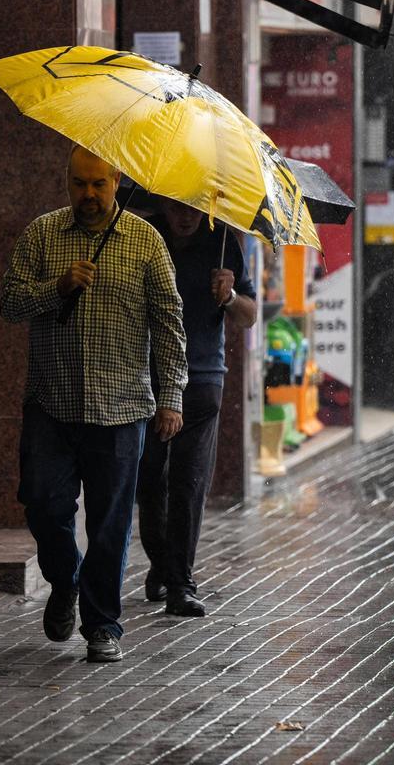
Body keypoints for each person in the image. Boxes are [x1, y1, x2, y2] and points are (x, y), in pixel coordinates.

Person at [0, 146, 187, 663]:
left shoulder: (145, 241)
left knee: (110, 523)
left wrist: (171, 398)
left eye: (98, 184)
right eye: (79, 183)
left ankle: (102, 624)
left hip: (121, 409)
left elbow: (169, 325)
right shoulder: (42, 235)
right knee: (43, 504)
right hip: (52, 403)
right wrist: (56, 287)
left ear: (116, 181)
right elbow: (9, 302)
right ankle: (65, 580)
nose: (88, 194)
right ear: (67, 182)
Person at [137, 197, 257, 617]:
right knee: (149, 481)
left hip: (202, 378)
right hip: (147, 376)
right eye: (177, 208)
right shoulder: (144, 236)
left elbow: (249, 314)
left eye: (193, 208)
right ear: (162, 203)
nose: (185, 217)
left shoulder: (222, 241)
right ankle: (162, 563)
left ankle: (180, 584)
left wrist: (229, 296)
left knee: (189, 483)